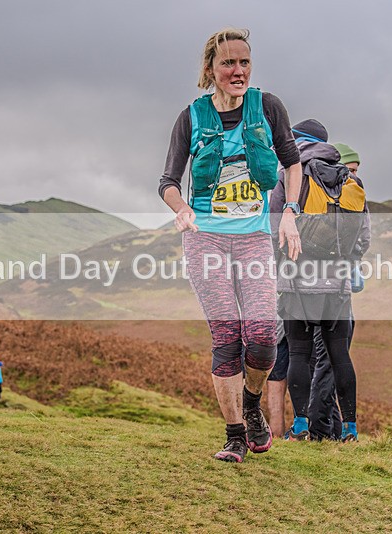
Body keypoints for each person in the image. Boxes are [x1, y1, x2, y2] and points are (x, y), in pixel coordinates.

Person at [159, 28, 302, 463]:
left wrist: (290, 212)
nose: (237, 70)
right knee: (226, 335)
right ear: (210, 69)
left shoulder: (268, 107)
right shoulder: (190, 117)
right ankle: (235, 434)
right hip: (206, 240)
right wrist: (181, 208)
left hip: (254, 239)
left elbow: (292, 164)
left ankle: (252, 405)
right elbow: (167, 181)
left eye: (244, 62)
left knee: (261, 338)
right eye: (228, 63)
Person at [271, 119, 370, 443]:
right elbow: (363, 237)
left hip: (298, 281)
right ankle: (351, 430)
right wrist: (347, 265)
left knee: (299, 353)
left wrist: (281, 266)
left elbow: (274, 230)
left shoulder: (292, 176)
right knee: (340, 354)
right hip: (338, 286)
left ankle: (300, 426)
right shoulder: (350, 180)